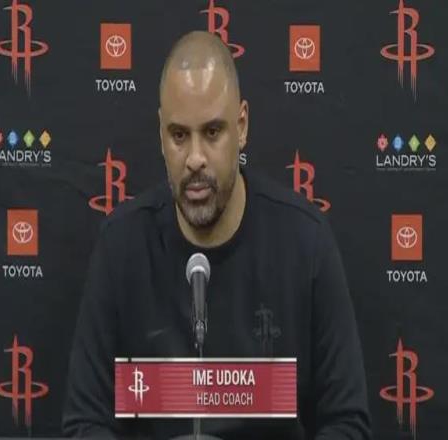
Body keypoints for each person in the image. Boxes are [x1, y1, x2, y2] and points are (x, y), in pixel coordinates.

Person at [62, 31, 372, 439]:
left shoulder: (305, 243)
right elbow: (84, 423)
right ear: (160, 134)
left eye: (212, 133)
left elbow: (347, 424)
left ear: (241, 127)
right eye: (179, 135)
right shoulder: (121, 247)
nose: (195, 159)